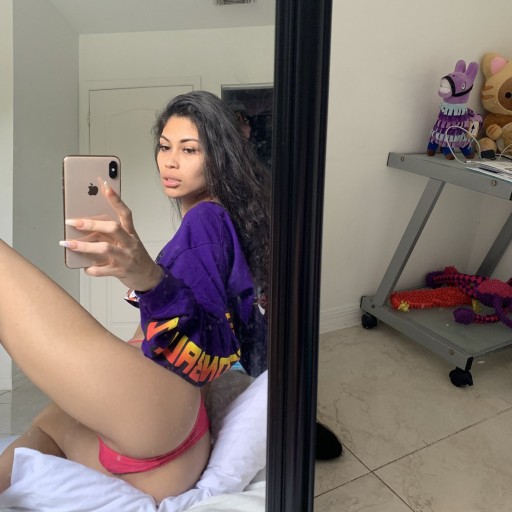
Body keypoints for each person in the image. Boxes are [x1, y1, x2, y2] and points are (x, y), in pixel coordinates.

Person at [0, 90, 270, 504]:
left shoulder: (205, 220)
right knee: (47, 428)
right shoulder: (220, 218)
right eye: (164, 147)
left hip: (160, 411)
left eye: (189, 149)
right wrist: (142, 276)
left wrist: (150, 279)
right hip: (172, 458)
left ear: (219, 156)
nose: (170, 161)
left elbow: (213, 342)